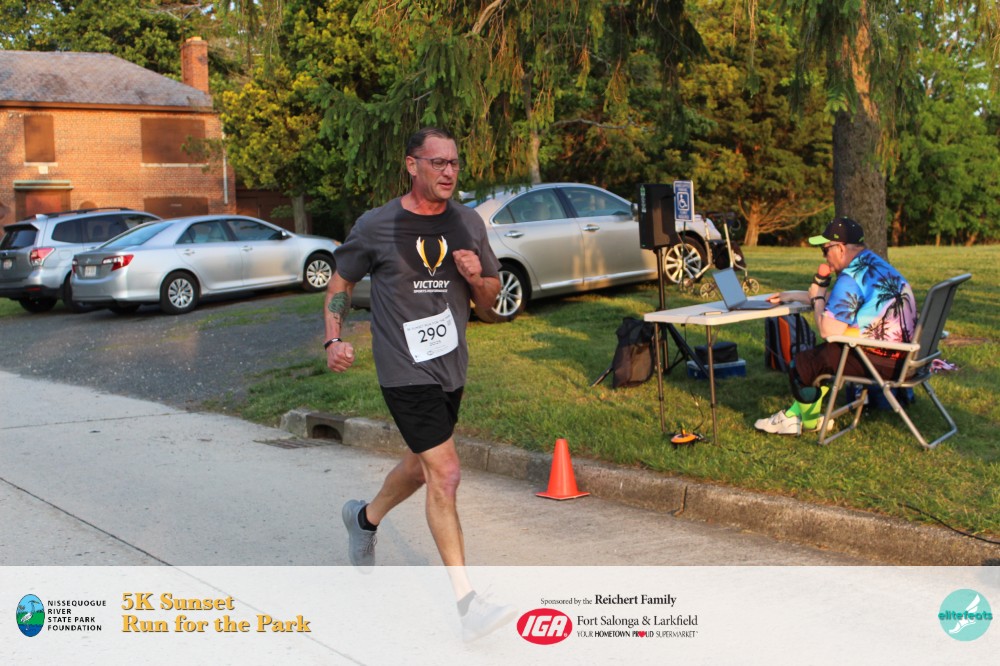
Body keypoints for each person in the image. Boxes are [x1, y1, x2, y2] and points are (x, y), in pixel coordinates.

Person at [323, 127, 513, 641]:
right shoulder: (377, 225)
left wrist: (476, 278)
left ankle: (364, 518)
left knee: (420, 465)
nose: (449, 172)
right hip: (402, 368)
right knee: (445, 473)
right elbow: (341, 282)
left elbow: (490, 305)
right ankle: (468, 605)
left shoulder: (468, 223)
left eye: (454, 163)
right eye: (438, 163)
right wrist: (333, 338)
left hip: (450, 366)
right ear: (412, 165)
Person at [755, 217, 917, 435]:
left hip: (882, 361)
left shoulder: (849, 278)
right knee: (823, 358)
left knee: (804, 364)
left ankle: (806, 422)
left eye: (825, 250)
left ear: (840, 248)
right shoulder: (874, 265)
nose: (824, 257)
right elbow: (846, 300)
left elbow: (827, 331)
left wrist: (817, 299)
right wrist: (793, 295)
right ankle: (795, 415)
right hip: (908, 357)